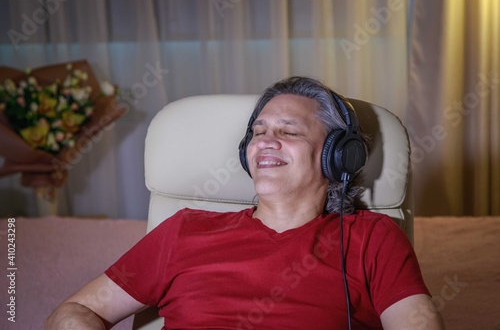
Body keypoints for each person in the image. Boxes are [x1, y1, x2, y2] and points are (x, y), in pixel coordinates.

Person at [45, 76, 444, 330]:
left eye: (288, 131)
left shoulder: (373, 237)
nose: (265, 142)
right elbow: (74, 312)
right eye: (258, 132)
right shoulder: (185, 229)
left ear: (337, 157)